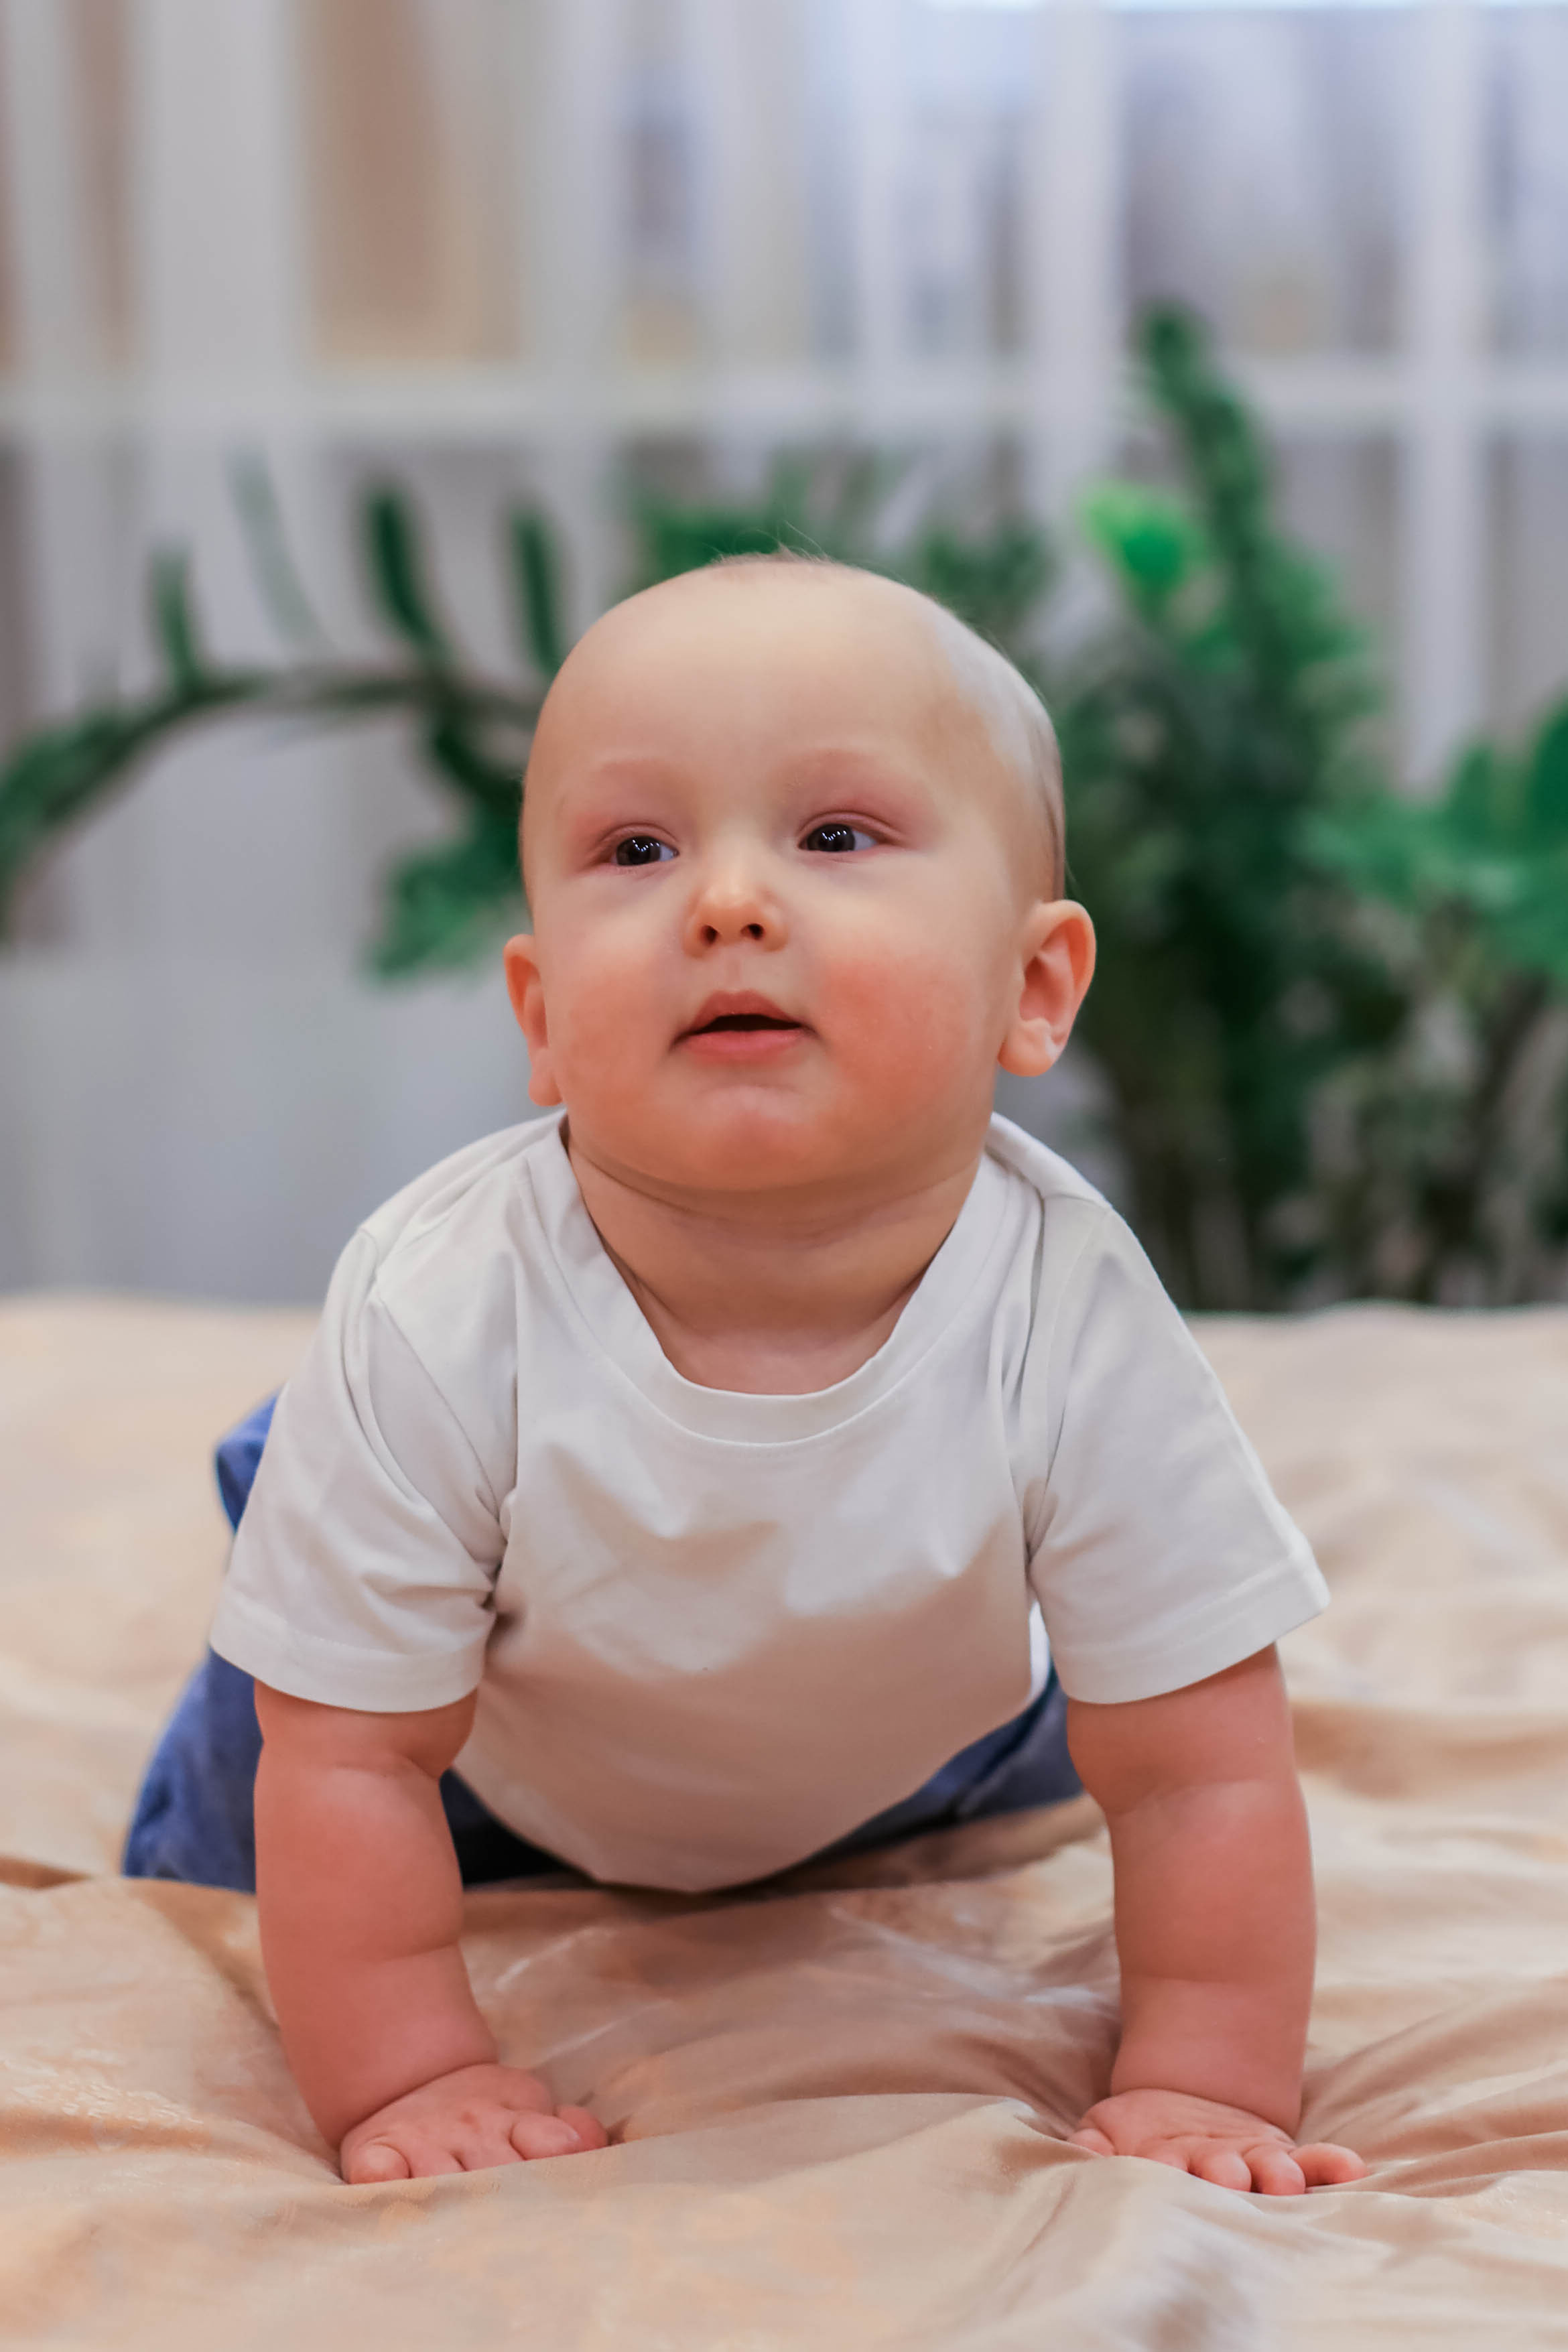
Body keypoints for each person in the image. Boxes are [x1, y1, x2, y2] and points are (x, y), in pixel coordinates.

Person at [125, 555, 1367, 2199]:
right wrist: (411, 2076)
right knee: (266, 1773)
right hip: (488, 1755)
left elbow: (1201, 1763)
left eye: (835, 836)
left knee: (1092, 1703)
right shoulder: (441, 1302)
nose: (726, 902)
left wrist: (1206, 2084)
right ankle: (297, 1490)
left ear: (1034, 986)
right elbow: (353, 1761)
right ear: (542, 1016)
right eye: (638, 851)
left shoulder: (1072, 1307)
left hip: (917, 1742)